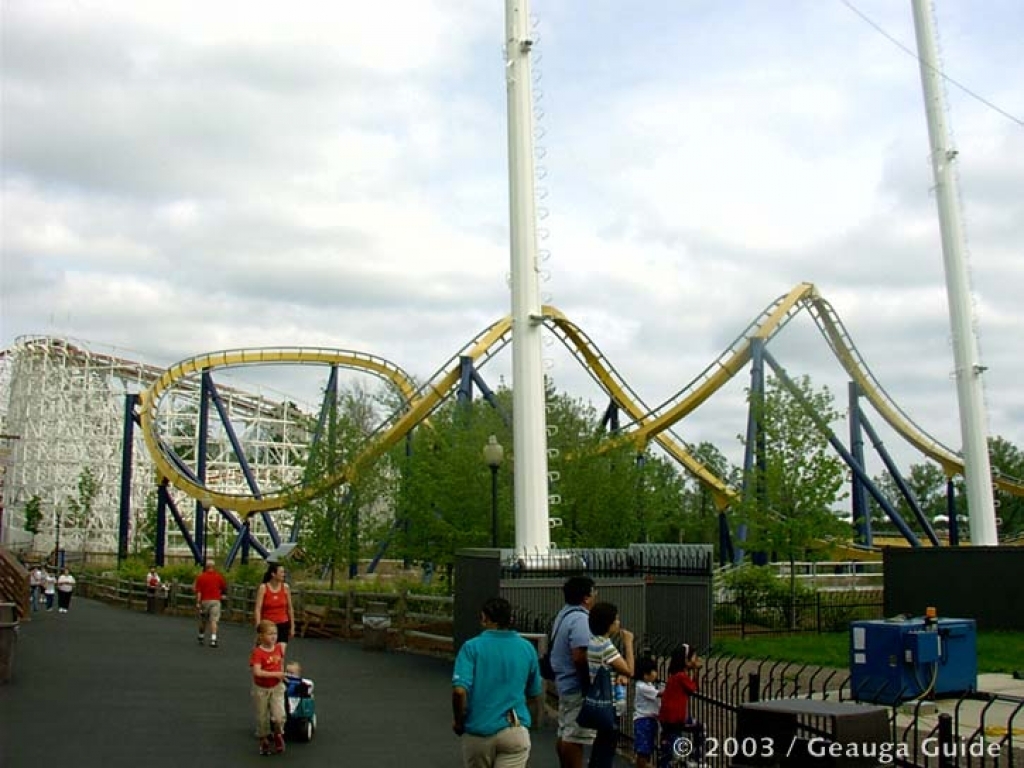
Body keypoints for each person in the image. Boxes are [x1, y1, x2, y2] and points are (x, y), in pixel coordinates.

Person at [451, 597, 543, 768]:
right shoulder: (526, 648)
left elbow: (459, 691)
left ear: (484, 618)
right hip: (514, 726)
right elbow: (535, 692)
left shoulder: (471, 647)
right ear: (511, 619)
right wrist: (535, 721)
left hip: (479, 729)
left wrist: (459, 721)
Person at [550, 575, 597, 768]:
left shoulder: (564, 615)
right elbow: (580, 655)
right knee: (574, 735)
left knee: (566, 730)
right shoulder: (580, 619)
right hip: (576, 684)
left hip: (564, 681)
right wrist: (587, 684)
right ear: (586, 597)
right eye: (594, 593)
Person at [585, 602, 635, 768]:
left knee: (600, 748)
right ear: (608, 624)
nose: (619, 623)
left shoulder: (593, 642)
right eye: (616, 619)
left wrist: (619, 674)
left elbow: (609, 667)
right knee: (606, 750)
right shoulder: (606, 646)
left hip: (598, 701)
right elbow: (630, 670)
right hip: (610, 705)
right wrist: (628, 643)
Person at [658, 643, 703, 768]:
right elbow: (693, 688)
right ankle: (694, 758)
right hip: (676, 718)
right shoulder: (681, 677)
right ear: (686, 660)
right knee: (699, 729)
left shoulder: (674, 676)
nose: (696, 659)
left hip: (667, 717)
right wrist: (696, 670)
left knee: (668, 743)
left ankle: (665, 762)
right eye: (693, 657)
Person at [250, 620, 287, 756]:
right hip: (261, 689)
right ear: (261, 636)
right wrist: (276, 673)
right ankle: (264, 740)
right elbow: (257, 672)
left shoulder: (278, 648)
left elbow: (281, 663)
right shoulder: (258, 653)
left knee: (279, 716)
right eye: (270, 634)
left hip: (276, 687)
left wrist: (282, 674)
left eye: (275, 633)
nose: (274, 636)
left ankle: (278, 734)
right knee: (262, 717)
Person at [254, 562, 295, 654]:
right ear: (273, 574)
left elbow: (290, 608)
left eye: (284, 572)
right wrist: (258, 625)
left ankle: (280, 668)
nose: (283, 575)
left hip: (283, 624)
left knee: (280, 653)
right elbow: (258, 608)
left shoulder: (285, 587)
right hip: (268, 625)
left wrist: (292, 626)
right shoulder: (263, 588)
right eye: (281, 572)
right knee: (267, 652)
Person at [632, 657, 661, 768]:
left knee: (647, 746)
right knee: (643, 749)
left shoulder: (648, 685)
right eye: (653, 670)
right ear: (645, 674)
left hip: (650, 719)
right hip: (643, 720)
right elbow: (659, 694)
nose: (656, 673)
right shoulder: (642, 686)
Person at [194, 559, 228, 648]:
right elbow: (224, 587)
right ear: (213, 567)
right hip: (215, 601)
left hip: (205, 601)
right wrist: (223, 594)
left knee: (203, 620)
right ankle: (213, 639)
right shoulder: (218, 576)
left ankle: (201, 635)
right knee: (214, 620)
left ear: (206, 567)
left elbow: (199, 591)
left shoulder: (201, 577)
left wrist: (198, 602)